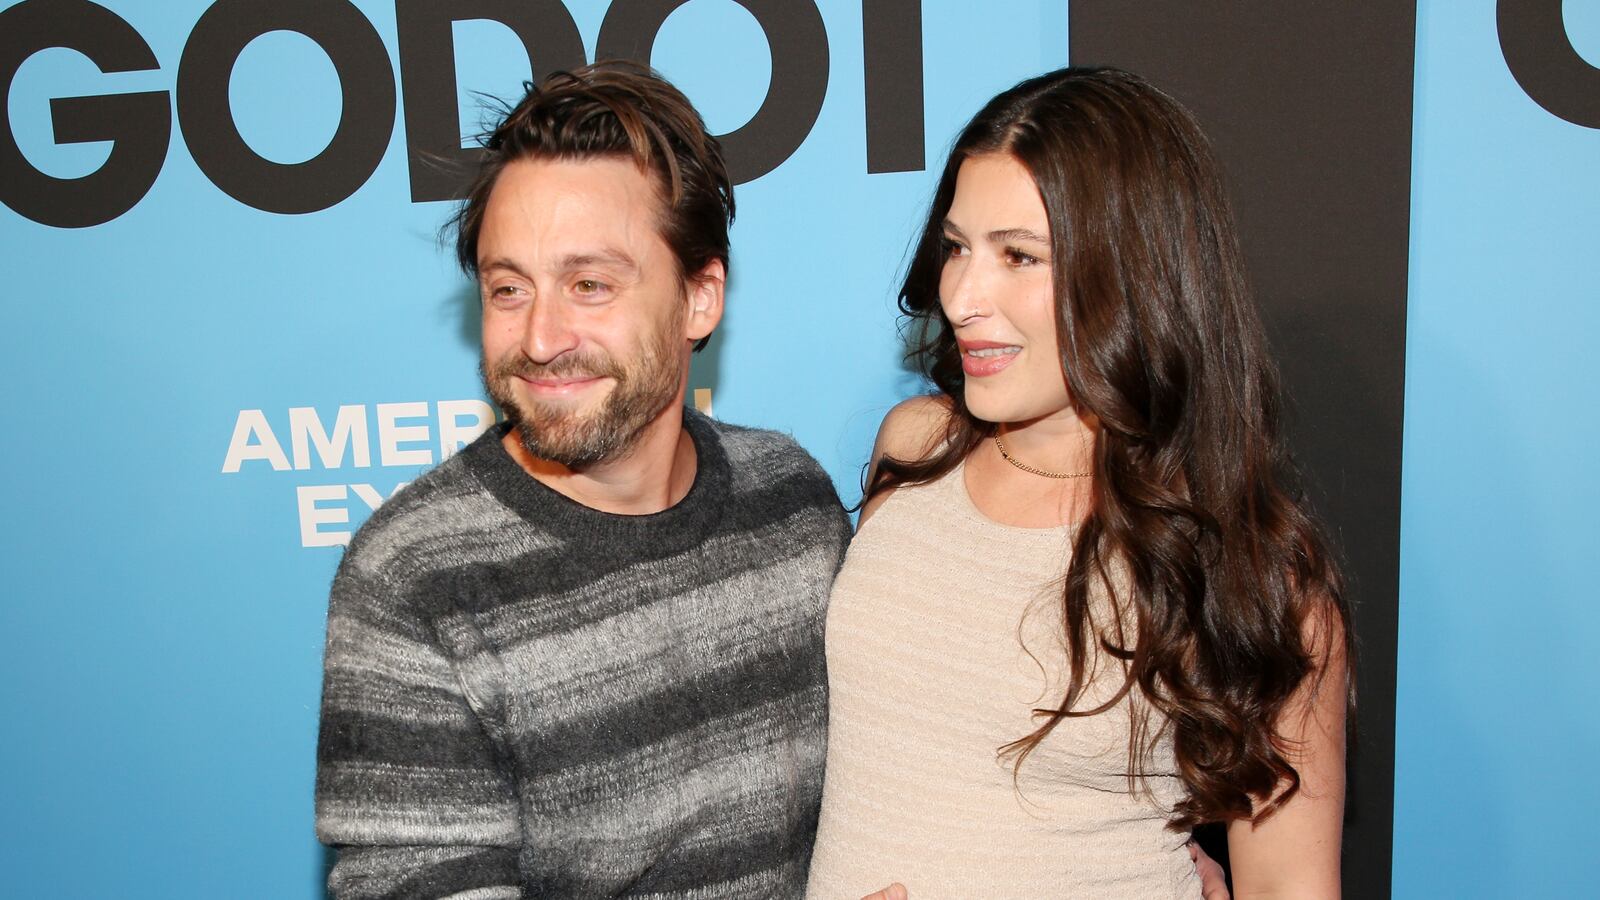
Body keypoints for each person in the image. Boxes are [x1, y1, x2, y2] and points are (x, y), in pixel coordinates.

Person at [807, 67, 1350, 899]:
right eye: (957, 248)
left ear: (1136, 275)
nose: (962, 296)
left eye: (1019, 256)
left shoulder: (1253, 573)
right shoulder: (914, 450)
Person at [313, 61, 850, 898]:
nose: (540, 336)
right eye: (508, 288)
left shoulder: (792, 502)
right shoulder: (415, 581)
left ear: (700, 298)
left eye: (589, 284)